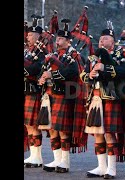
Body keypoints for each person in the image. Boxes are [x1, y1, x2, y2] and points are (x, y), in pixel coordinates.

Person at [81, 21, 125, 179]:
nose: (101, 41)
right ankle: (101, 166)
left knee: (109, 133)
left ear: (112, 41)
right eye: (100, 39)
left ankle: (111, 169)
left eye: (105, 39)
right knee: (97, 133)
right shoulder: (93, 57)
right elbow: (83, 74)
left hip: (111, 97)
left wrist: (105, 68)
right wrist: (89, 75)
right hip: (95, 97)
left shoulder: (120, 55)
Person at [38, 19, 82, 173]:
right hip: (51, 94)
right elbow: (42, 69)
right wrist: (43, 77)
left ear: (68, 41)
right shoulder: (54, 55)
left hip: (64, 95)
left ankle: (65, 161)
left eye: (61, 39)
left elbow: (72, 73)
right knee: (52, 129)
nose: (58, 41)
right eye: (57, 38)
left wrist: (52, 74)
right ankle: (56, 159)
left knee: (62, 129)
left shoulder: (74, 55)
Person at [24, 15, 45, 168]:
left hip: (34, 90)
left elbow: (35, 68)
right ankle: (33, 156)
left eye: (31, 34)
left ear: (38, 36)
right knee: (27, 125)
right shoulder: (27, 51)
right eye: (28, 34)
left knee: (33, 125)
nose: (28, 36)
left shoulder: (42, 52)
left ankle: (37, 157)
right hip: (26, 91)